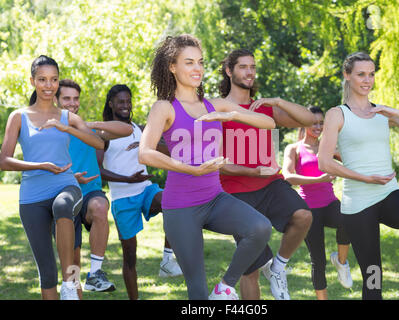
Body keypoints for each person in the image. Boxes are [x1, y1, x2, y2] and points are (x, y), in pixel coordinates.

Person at [138, 34, 275, 300]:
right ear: (172, 67)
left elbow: (269, 123)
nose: (197, 68)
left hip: (214, 198)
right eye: (189, 62)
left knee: (259, 228)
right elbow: (145, 153)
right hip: (181, 206)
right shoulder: (164, 107)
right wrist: (190, 169)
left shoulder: (216, 104)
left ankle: (224, 288)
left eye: (200, 62)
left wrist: (233, 114)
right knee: (197, 294)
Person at [318, 52, 399, 300]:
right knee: (374, 281)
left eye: (371, 74)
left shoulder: (381, 114)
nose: (367, 80)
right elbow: (325, 162)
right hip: (358, 203)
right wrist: (365, 178)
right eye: (361, 74)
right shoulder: (337, 114)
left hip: (387, 192)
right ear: (347, 75)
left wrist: (395, 113)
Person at [0, 55, 104, 300]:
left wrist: (67, 127)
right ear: (33, 81)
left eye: (54, 79)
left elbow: (98, 142)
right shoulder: (18, 116)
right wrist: (41, 166)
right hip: (32, 197)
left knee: (64, 212)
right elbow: (3, 160)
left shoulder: (67, 117)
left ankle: (71, 284)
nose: (49, 85)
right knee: (47, 273)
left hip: (66, 187)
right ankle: (65, 285)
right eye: (43, 79)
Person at [218, 49, 315, 300]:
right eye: (242, 67)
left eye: (252, 66)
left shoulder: (264, 108)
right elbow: (217, 163)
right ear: (229, 71)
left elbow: (308, 118)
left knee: (303, 216)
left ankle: (278, 267)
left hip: (271, 184)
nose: (249, 72)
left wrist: (279, 102)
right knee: (249, 269)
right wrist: (253, 170)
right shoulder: (218, 109)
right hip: (236, 192)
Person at [97, 84, 182, 300]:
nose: (126, 106)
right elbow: (98, 171)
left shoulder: (138, 128)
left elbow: (161, 149)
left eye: (128, 101)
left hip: (145, 189)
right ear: (111, 104)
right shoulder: (103, 133)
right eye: (121, 102)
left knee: (174, 202)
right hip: (122, 200)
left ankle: (167, 260)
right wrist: (127, 179)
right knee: (130, 257)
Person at [55, 79, 133, 295]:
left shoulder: (88, 130)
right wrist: (70, 177)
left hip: (90, 192)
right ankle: (73, 293)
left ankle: (95, 273)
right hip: (63, 198)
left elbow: (126, 130)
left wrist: (89, 125)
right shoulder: (50, 131)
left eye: (75, 98)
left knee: (100, 206)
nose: (72, 103)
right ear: (56, 100)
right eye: (66, 99)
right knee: (73, 262)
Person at [283, 106, 352, 300]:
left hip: (330, 203)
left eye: (321, 123)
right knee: (318, 260)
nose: (318, 126)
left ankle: (341, 261)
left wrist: (341, 157)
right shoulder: (294, 148)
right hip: (309, 210)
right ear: (303, 123)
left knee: (348, 218)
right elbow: (288, 177)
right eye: (314, 122)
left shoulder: (327, 146)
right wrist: (318, 180)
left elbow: (353, 164)